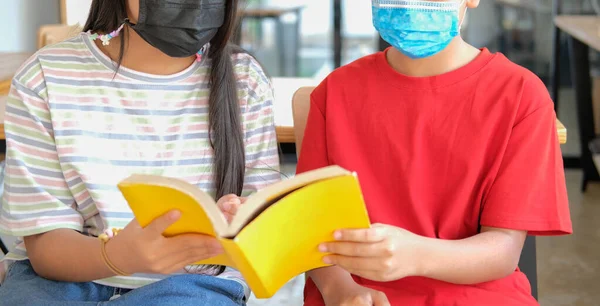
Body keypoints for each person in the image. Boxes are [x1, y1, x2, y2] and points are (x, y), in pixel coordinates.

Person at [0, 0, 279, 305]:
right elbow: (46, 248)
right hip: (62, 279)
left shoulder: (245, 81)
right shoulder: (44, 78)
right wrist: (115, 256)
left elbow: (263, 234)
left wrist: (239, 220)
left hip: (193, 286)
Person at [297, 0, 572, 305]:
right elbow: (311, 231)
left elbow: (503, 249)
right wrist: (340, 289)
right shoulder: (334, 93)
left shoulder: (521, 96)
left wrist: (416, 255)